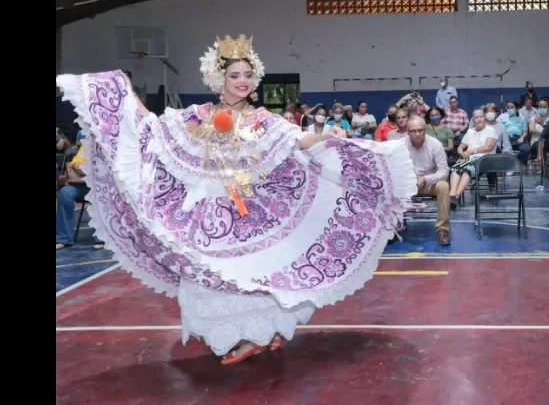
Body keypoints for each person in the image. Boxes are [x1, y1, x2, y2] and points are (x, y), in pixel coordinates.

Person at [56, 34, 417, 365]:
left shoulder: (263, 119)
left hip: (251, 211)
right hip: (208, 213)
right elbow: (153, 131)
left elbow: (296, 140)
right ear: (220, 80)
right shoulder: (199, 117)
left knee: (258, 271)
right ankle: (255, 333)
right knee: (210, 274)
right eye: (235, 75)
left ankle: (261, 333)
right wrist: (122, 96)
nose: (243, 81)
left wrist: (327, 138)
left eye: (247, 74)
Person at [405, 116, 451, 245]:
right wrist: (410, 179)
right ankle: (394, 226)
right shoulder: (400, 146)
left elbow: (444, 171)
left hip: (428, 183)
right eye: (413, 131)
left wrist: (425, 179)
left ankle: (442, 229)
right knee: (389, 186)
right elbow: (394, 169)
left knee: (443, 186)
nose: (417, 134)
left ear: (425, 130)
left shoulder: (435, 144)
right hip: (406, 184)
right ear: (408, 132)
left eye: (420, 130)